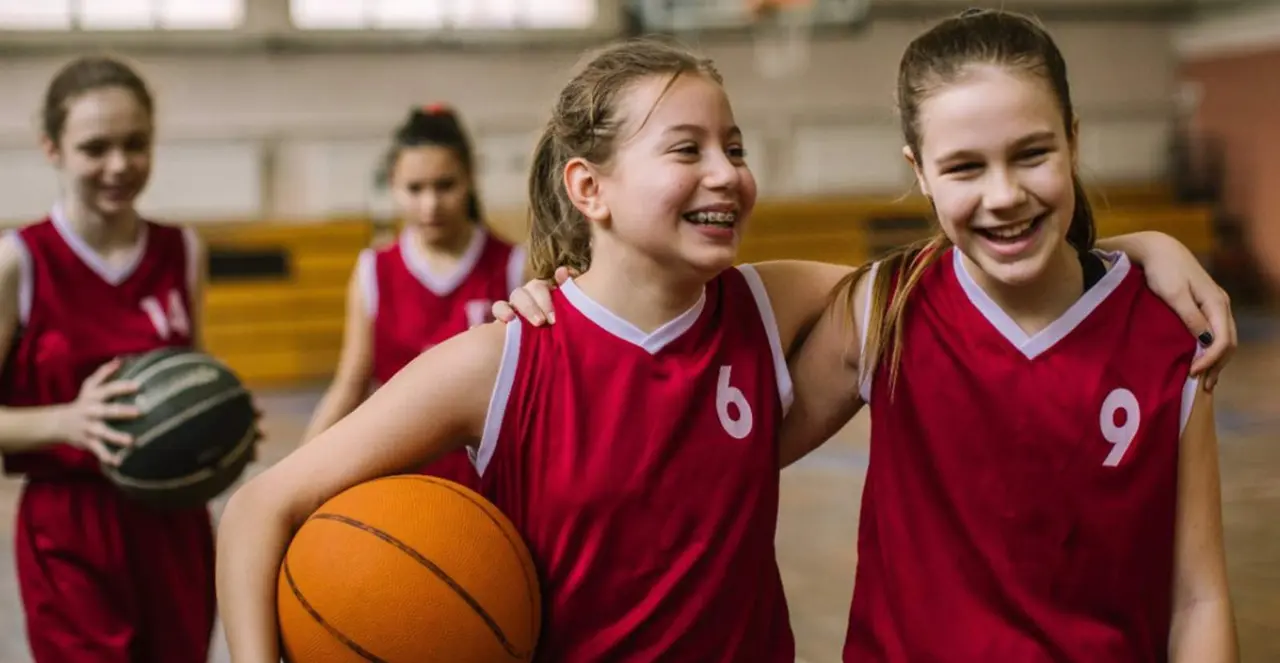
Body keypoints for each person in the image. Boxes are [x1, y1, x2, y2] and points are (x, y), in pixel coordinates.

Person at [217, 38, 828, 662]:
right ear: (588, 188)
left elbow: (905, 290)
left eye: (735, 149)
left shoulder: (760, 305)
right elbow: (265, 499)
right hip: (445, 525)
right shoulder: (498, 352)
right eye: (685, 148)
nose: (726, 172)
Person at [785, 9, 1234, 660]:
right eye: (965, 167)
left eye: (1032, 153)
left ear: (1073, 142)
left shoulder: (1167, 336)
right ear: (920, 170)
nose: (1004, 193)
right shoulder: (885, 307)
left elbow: (1200, 598)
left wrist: (1144, 249)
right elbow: (735, 453)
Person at [0, 56, 216, 662]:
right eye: (95, 148)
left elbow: (193, 375)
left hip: (173, 519)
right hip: (70, 525)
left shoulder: (183, 250)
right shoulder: (20, 261)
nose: (119, 165)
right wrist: (62, 421)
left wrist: (219, 427)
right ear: (52, 149)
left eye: (135, 144)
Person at [300, 105, 526, 487]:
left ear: (470, 178)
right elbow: (350, 384)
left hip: (490, 482)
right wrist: (297, 472)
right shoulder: (374, 270)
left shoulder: (514, 266)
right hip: (396, 477)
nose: (430, 204)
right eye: (415, 189)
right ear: (393, 184)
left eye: (444, 185)